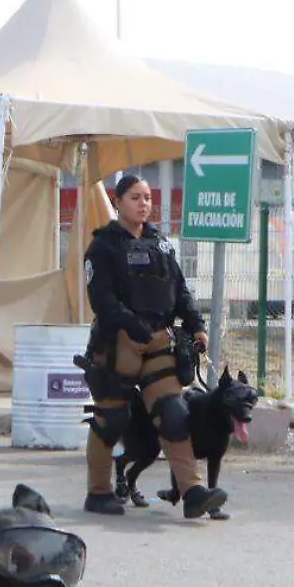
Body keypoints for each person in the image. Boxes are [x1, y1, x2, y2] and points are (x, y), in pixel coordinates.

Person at [80, 173, 222, 519]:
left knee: (174, 414)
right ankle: (99, 491)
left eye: (147, 197)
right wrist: (132, 323)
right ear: (117, 202)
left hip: (159, 341)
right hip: (118, 344)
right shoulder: (103, 246)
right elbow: (101, 299)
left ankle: (192, 491)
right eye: (135, 197)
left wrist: (196, 325)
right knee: (111, 419)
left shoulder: (161, 244)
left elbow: (180, 290)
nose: (143, 204)